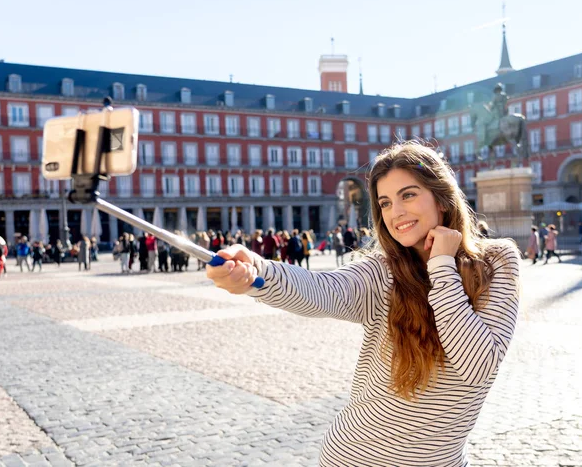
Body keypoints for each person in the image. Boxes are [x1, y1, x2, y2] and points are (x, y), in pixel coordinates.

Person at [206, 142, 521, 466]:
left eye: (408, 195)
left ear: (442, 197)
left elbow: (478, 366)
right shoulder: (381, 271)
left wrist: (441, 263)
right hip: (355, 456)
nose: (395, 212)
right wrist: (258, 271)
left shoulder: (496, 262)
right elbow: (321, 289)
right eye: (385, 203)